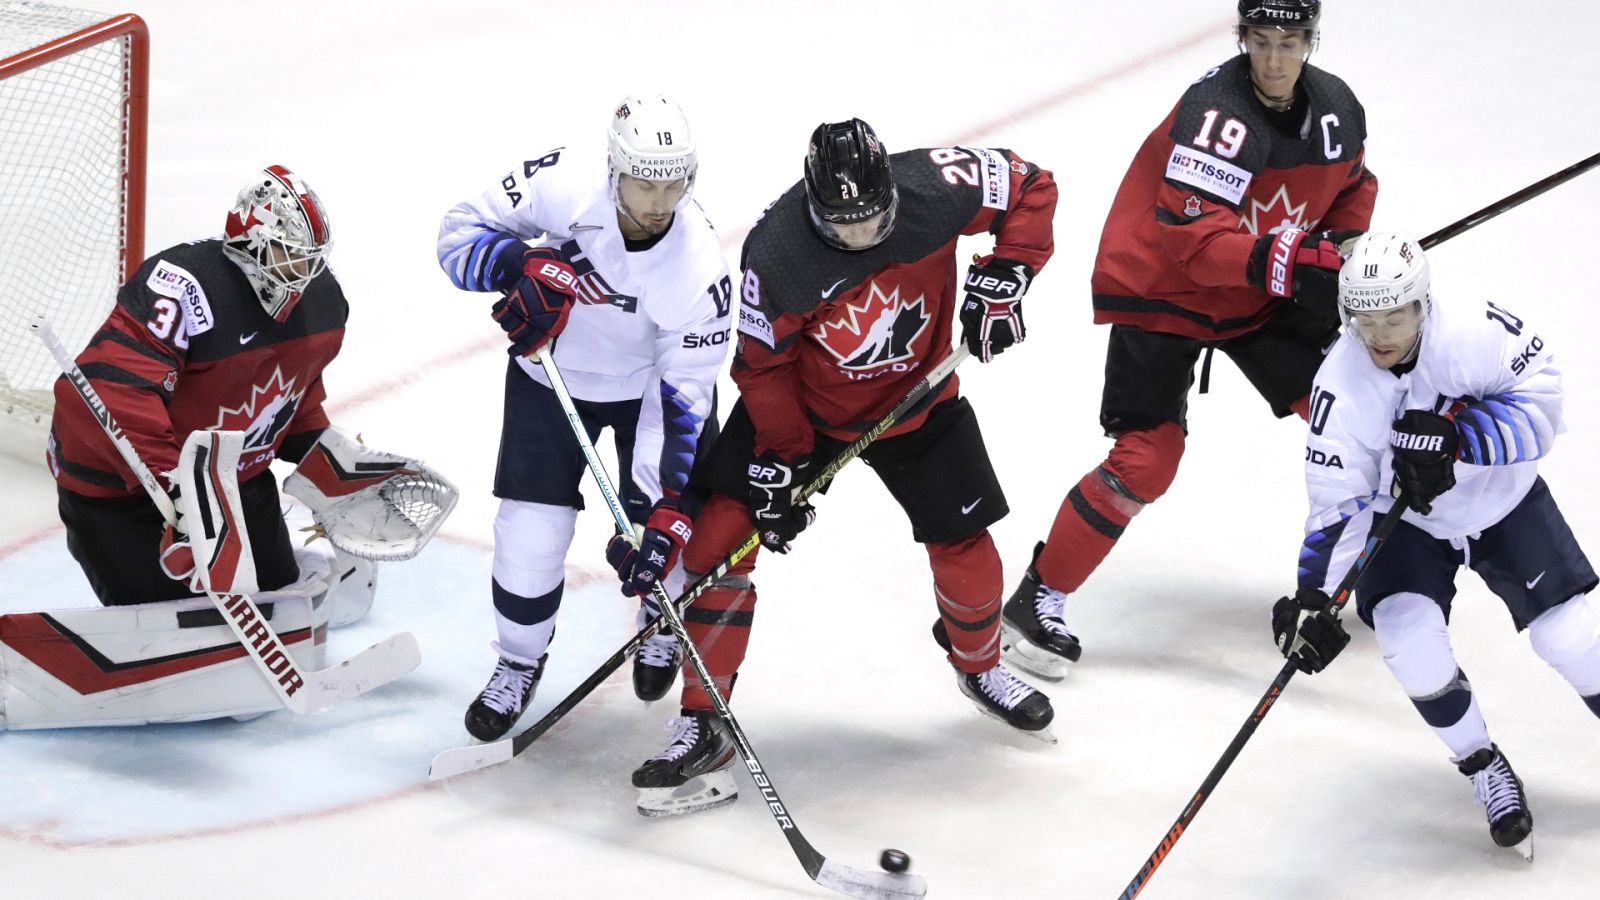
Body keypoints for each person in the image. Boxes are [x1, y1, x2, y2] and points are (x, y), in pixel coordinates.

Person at [626, 117, 1059, 817]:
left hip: (918, 403)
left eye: (871, 220)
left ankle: (980, 668)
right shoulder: (779, 253)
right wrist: (784, 462)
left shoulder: (937, 187)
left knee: (965, 545)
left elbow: (1032, 186)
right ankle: (704, 719)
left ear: (892, 190)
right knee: (716, 545)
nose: (860, 237)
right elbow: (763, 368)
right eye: (843, 225)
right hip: (808, 412)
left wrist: (1006, 275)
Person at [1001, 0, 1379, 681]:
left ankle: (1383, 567)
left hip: (1261, 289)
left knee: (1354, 412)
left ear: (1310, 42)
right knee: (1148, 458)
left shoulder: (1337, 110)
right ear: (1242, 40)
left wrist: (1345, 249)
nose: (1272, 59)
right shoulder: (1218, 116)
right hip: (1163, 286)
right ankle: (1038, 599)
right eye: (1259, 41)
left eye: (1289, 42)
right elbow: (1195, 244)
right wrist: (1301, 264)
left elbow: (1354, 188)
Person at [30, 166, 444, 726]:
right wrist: (177, 493)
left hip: (229, 481)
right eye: (288, 257)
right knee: (179, 631)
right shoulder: (185, 288)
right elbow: (113, 393)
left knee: (270, 611)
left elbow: (288, 401)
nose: (301, 275)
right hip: (122, 489)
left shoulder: (322, 304)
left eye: (310, 259)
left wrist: (332, 461)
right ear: (250, 240)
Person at [1272, 232, 1600, 858]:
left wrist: (1463, 439)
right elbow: (1336, 500)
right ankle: (1482, 765)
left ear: (1423, 304)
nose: (1380, 335)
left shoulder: (1476, 330)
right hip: (1409, 525)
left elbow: (1545, 401)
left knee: (1568, 637)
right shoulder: (1339, 386)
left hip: (1501, 500)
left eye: (1394, 316)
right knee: (1406, 638)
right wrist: (1314, 597)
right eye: (1364, 320)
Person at [436, 94, 731, 742]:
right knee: (528, 537)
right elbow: (456, 237)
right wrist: (515, 267)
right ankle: (518, 660)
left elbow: (681, 399)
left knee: (670, 542)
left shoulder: (698, 268)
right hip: (551, 377)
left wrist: (660, 507)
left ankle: (661, 618)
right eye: (642, 183)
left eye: (672, 185)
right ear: (612, 167)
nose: (656, 203)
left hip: (648, 392)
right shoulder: (561, 184)